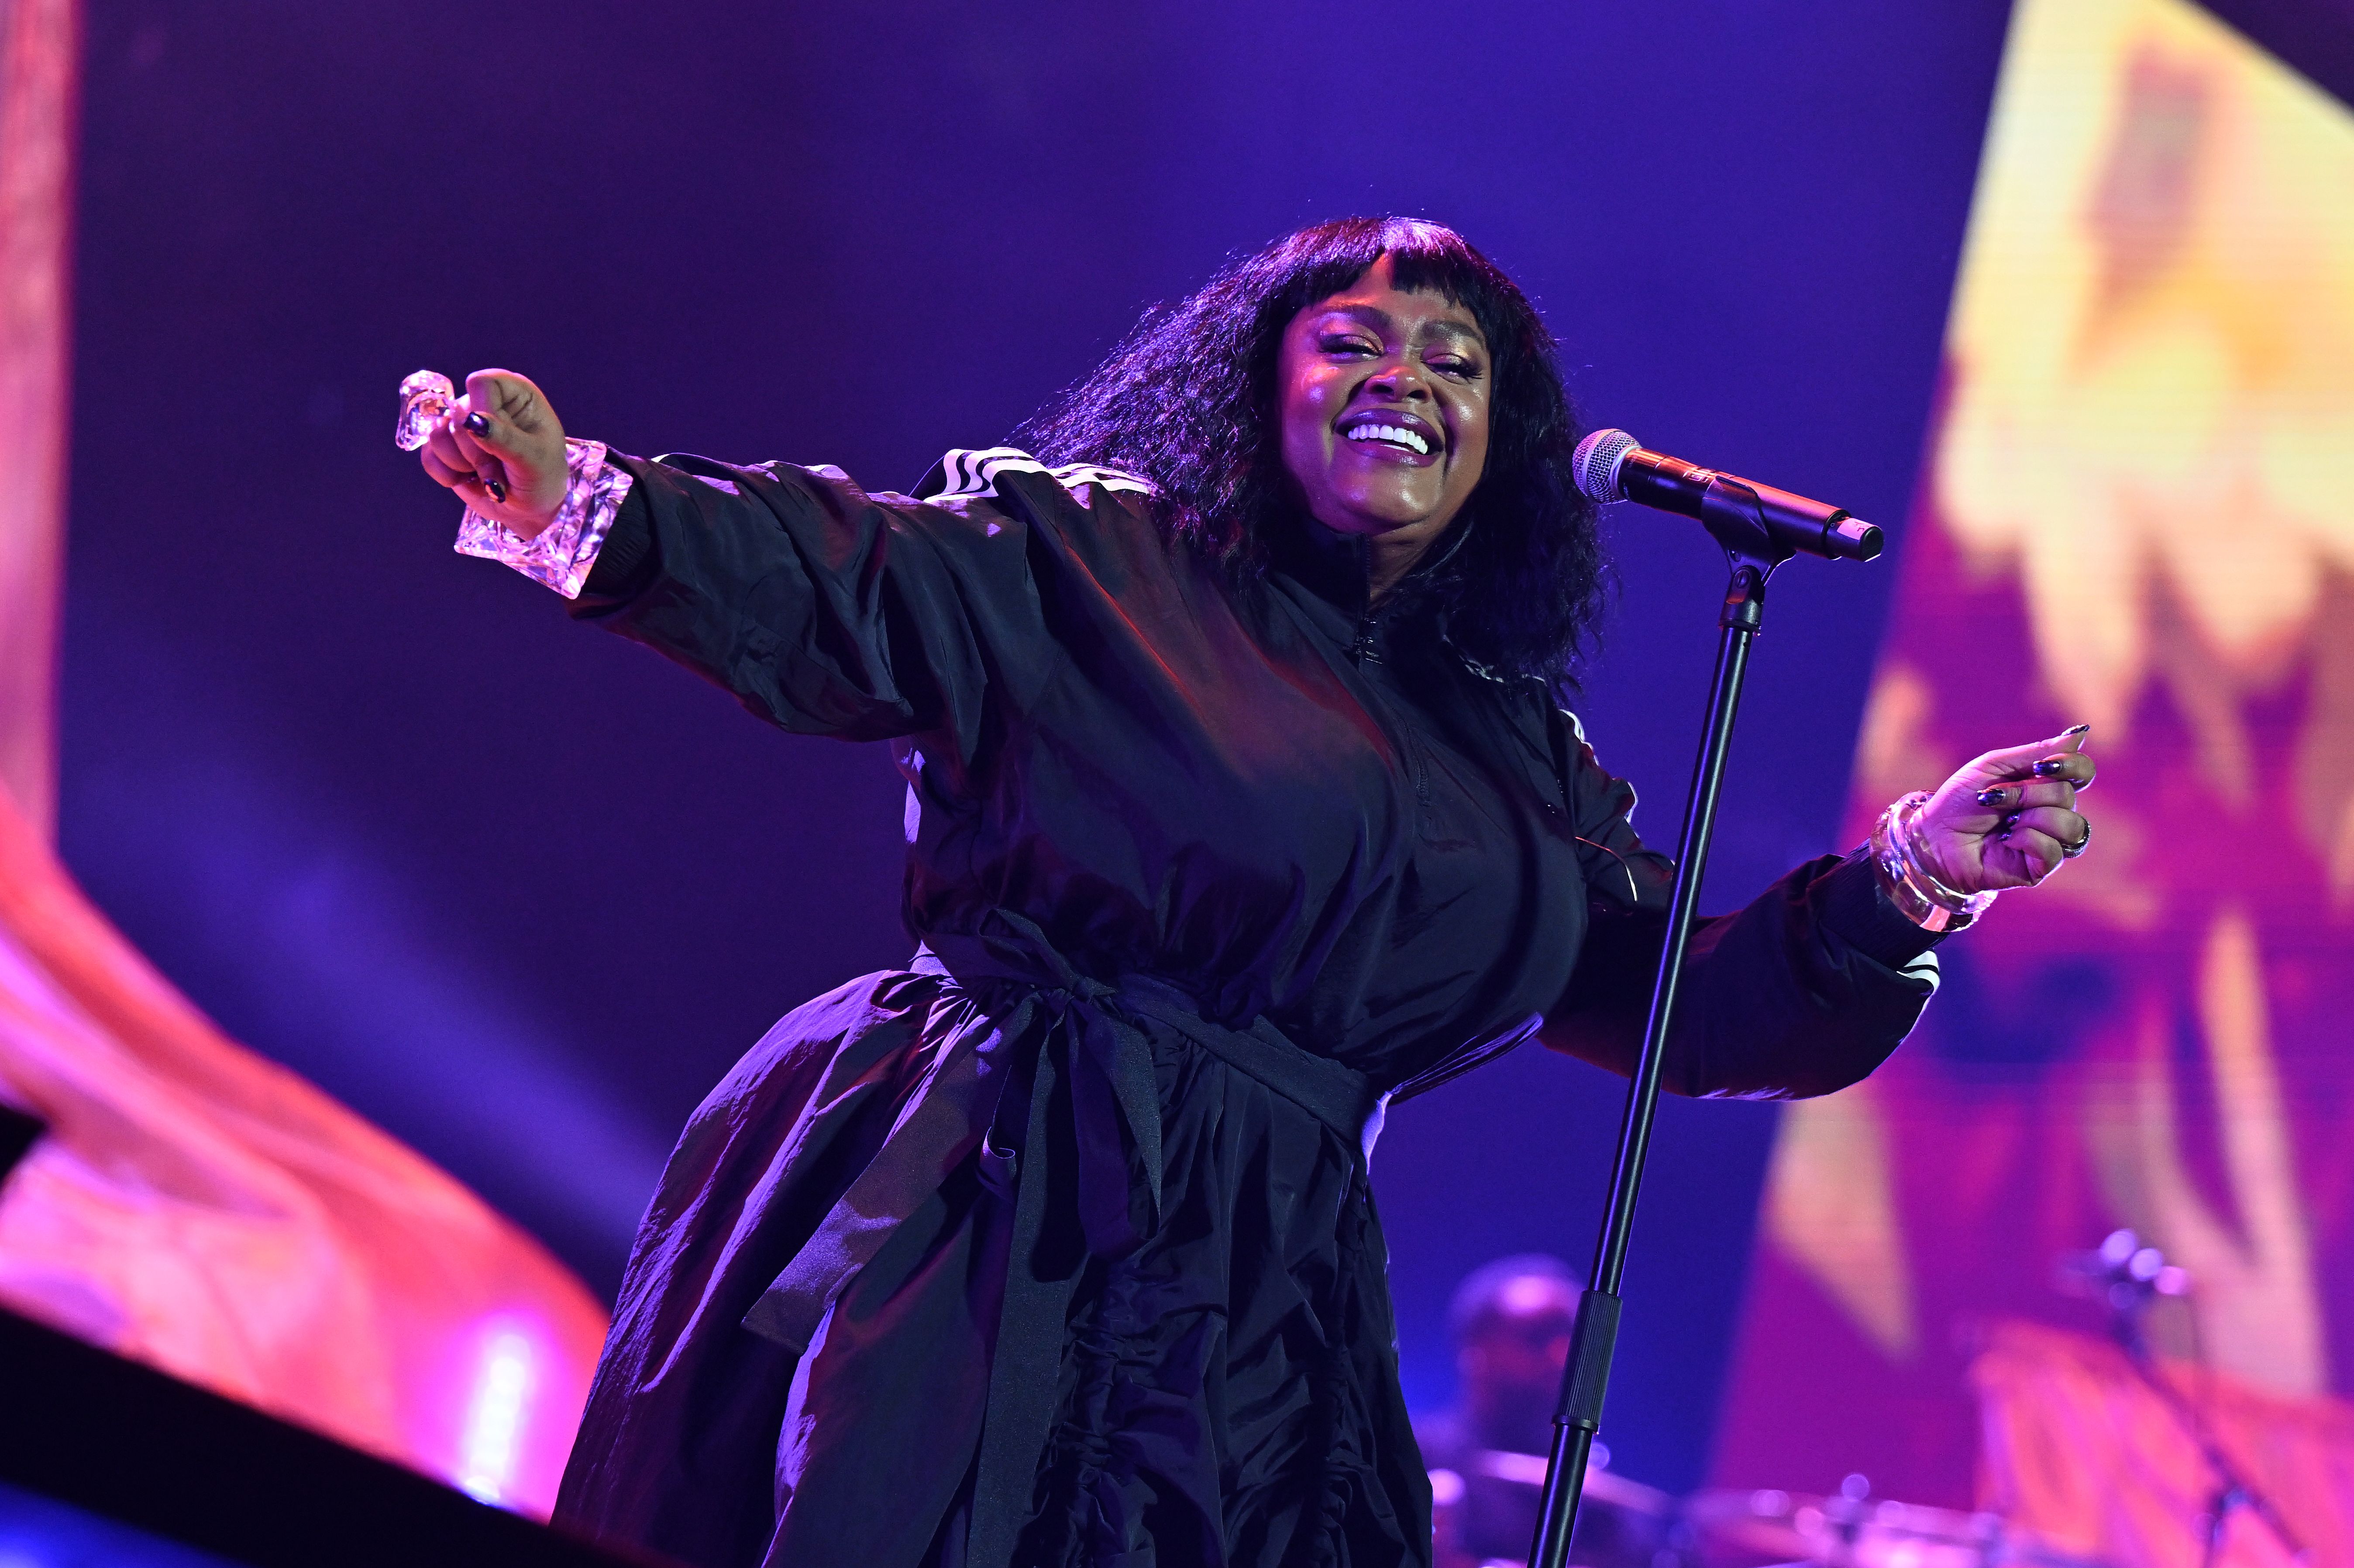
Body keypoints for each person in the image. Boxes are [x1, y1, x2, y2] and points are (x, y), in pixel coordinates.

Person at [413, 217, 2094, 1568]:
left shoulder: (1514, 764)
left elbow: (1692, 1000)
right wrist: (588, 509)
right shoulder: (1094, 565)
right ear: (1259, 385)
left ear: (1499, 443)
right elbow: (842, 575)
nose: (1404, 377)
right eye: (1352, 338)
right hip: (986, 1190)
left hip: (1264, 1302)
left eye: (1456, 361)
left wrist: (1907, 879)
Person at [1414, 1256, 1673, 1568]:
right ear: (1476, 1352)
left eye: (1574, 1340)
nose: (1564, 1358)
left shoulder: (1596, 1492)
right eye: (1539, 1337)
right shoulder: (1412, 1453)